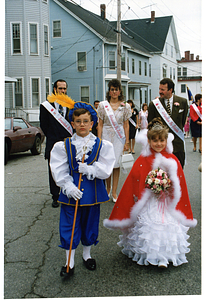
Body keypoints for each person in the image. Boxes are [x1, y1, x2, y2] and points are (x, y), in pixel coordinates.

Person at [104, 118, 197, 268]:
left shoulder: (172, 159)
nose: (158, 144)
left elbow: (178, 181)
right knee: (150, 225)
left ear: (166, 141)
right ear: (149, 141)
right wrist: (150, 184)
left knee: (166, 224)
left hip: (165, 201)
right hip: (148, 200)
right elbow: (135, 179)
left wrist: (167, 185)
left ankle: (165, 257)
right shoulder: (143, 159)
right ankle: (151, 255)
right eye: (155, 141)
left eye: (162, 140)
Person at [50, 100, 115, 278]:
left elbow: (107, 168)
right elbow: (58, 169)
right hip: (72, 194)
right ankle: (68, 262)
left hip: (93, 193)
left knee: (89, 224)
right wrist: (68, 186)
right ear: (73, 123)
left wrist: (91, 169)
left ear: (92, 123)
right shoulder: (63, 145)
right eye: (78, 121)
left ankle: (87, 256)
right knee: (69, 225)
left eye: (86, 121)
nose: (82, 125)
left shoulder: (102, 145)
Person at [97, 79, 132, 202]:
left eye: (116, 89)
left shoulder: (125, 106)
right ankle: (107, 189)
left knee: (116, 164)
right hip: (106, 136)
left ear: (119, 91)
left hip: (119, 137)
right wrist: (99, 140)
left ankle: (115, 192)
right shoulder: (102, 105)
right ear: (109, 91)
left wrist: (127, 141)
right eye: (112, 89)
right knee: (107, 163)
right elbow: (100, 124)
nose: (114, 92)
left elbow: (126, 125)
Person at [40, 79, 72, 208]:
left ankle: (67, 193)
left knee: (68, 169)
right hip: (53, 143)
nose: (63, 91)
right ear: (55, 89)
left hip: (67, 143)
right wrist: (54, 137)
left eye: (64, 88)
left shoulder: (70, 105)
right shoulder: (46, 106)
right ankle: (55, 196)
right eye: (60, 88)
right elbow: (44, 125)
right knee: (53, 170)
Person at [148, 78, 188, 168]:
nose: (160, 92)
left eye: (163, 89)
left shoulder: (183, 102)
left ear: (170, 90)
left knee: (178, 172)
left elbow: (182, 121)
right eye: (159, 89)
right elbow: (150, 125)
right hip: (160, 145)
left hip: (177, 144)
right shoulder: (154, 104)